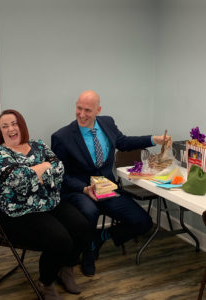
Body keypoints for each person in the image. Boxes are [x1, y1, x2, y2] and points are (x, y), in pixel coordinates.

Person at [51, 90, 172, 277]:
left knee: (143, 222)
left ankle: (101, 237)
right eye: (79, 108)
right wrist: (83, 188)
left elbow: (123, 142)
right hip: (80, 190)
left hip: (106, 188)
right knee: (89, 213)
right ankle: (88, 250)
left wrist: (153, 139)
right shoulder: (62, 137)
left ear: (98, 110)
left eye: (88, 110)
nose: (82, 115)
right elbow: (61, 176)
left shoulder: (107, 122)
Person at [0, 109, 92, 300]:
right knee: (60, 239)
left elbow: (59, 169)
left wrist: (35, 174)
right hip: (18, 212)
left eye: (14, 123)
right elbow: (18, 181)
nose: (11, 128)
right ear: (0, 131)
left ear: (21, 125)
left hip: (49, 203)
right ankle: (46, 281)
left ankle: (65, 269)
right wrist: (43, 168)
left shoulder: (39, 145)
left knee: (83, 227)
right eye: (5, 126)